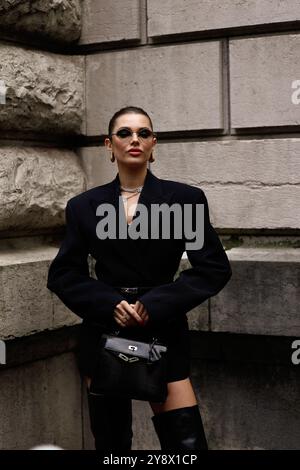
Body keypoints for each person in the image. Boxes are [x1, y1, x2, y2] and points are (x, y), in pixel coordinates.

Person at [47, 106, 232, 451]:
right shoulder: (84, 205)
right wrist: (108, 304)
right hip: (104, 331)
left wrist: (154, 305)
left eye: (143, 133)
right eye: (125, 133)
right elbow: (63, 273)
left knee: (186, 444)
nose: (135, 139)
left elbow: (214, 268)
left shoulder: (185, 200)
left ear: (153, 144)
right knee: (112, 443)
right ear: (108, 144)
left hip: (163, 330)